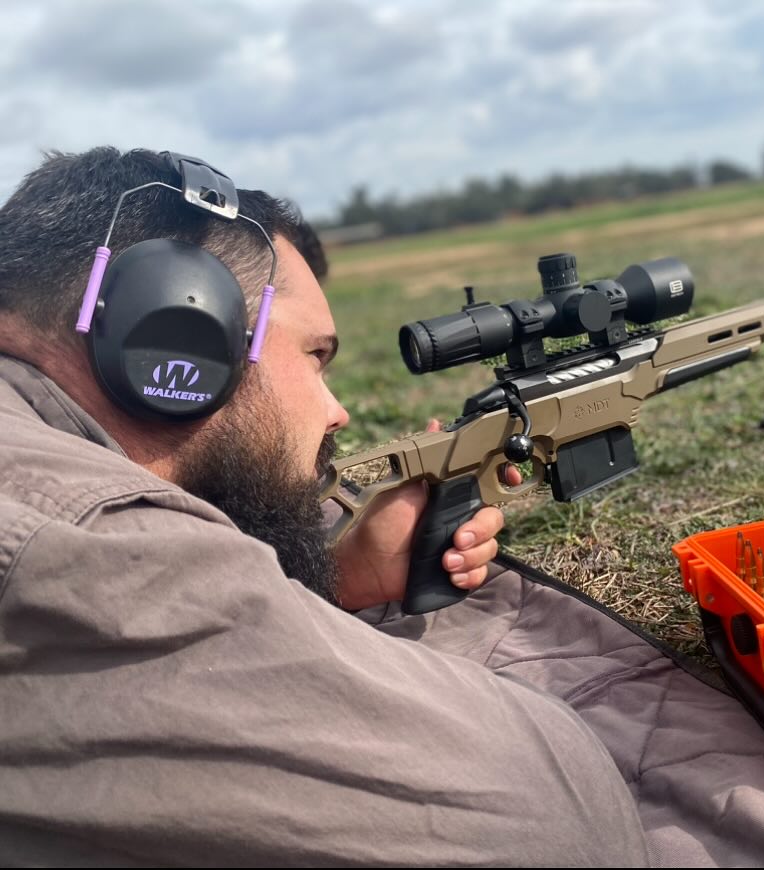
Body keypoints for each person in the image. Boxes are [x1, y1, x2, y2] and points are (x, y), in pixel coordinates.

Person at [0, 147, 649, 866]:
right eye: (315, 356)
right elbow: (547, 816)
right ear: (185, 330)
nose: (336, 411)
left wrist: (333, 583)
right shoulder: (86, 538)